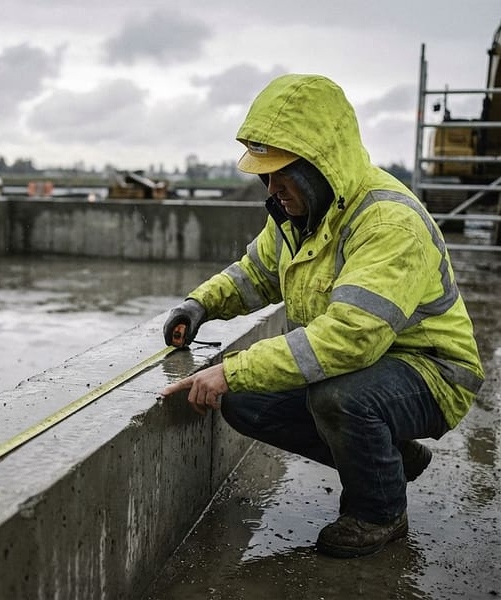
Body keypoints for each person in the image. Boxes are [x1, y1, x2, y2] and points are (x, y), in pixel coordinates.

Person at [160, 73, 484, 558]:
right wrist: (200, 304)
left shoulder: (388, 222)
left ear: (318, 165)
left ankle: (379, 512)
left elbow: (349, 339)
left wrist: (234, 368)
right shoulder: (300, 217)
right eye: (264, 176)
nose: (272, 188)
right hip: (371, 367)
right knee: (245, 403)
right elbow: (255, 273)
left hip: (432, 370)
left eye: (280, 173)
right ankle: (390, 456)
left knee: (338, 397)